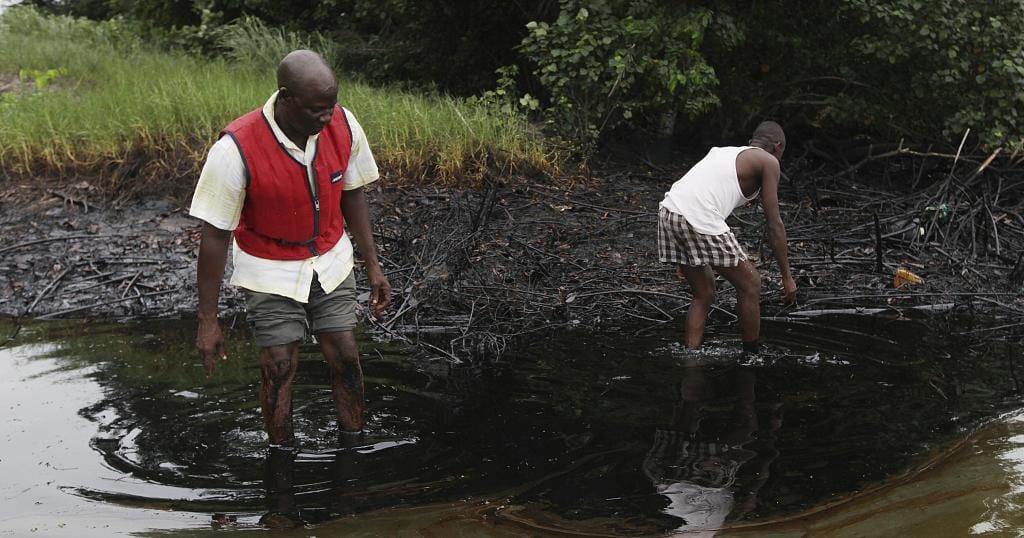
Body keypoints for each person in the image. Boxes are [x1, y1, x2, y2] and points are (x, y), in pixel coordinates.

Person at [190, 49, 391, 446]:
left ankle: (354, 446)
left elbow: (353, 193)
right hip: (269, 267)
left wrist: (373, 264)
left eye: (331, 106)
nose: (327, 117)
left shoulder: (343, 124)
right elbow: (214, 236)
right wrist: (208, 320)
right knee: (279, 364)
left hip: (330, 257)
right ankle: (280, 455)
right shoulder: (235, 149)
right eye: (317, 109)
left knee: (346, 354)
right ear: (286, 98)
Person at [657, 121, 796, 352]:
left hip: (669, 211)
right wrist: (787, 277)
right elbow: (774, 224)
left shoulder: (722, 152)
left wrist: (686, 251)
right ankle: (751, 356)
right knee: (751, 284)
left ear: (752, 141)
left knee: (703, 293)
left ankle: (690, 356)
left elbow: (697, 192)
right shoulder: (769, 161)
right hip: (697, 216)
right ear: (778, 146)